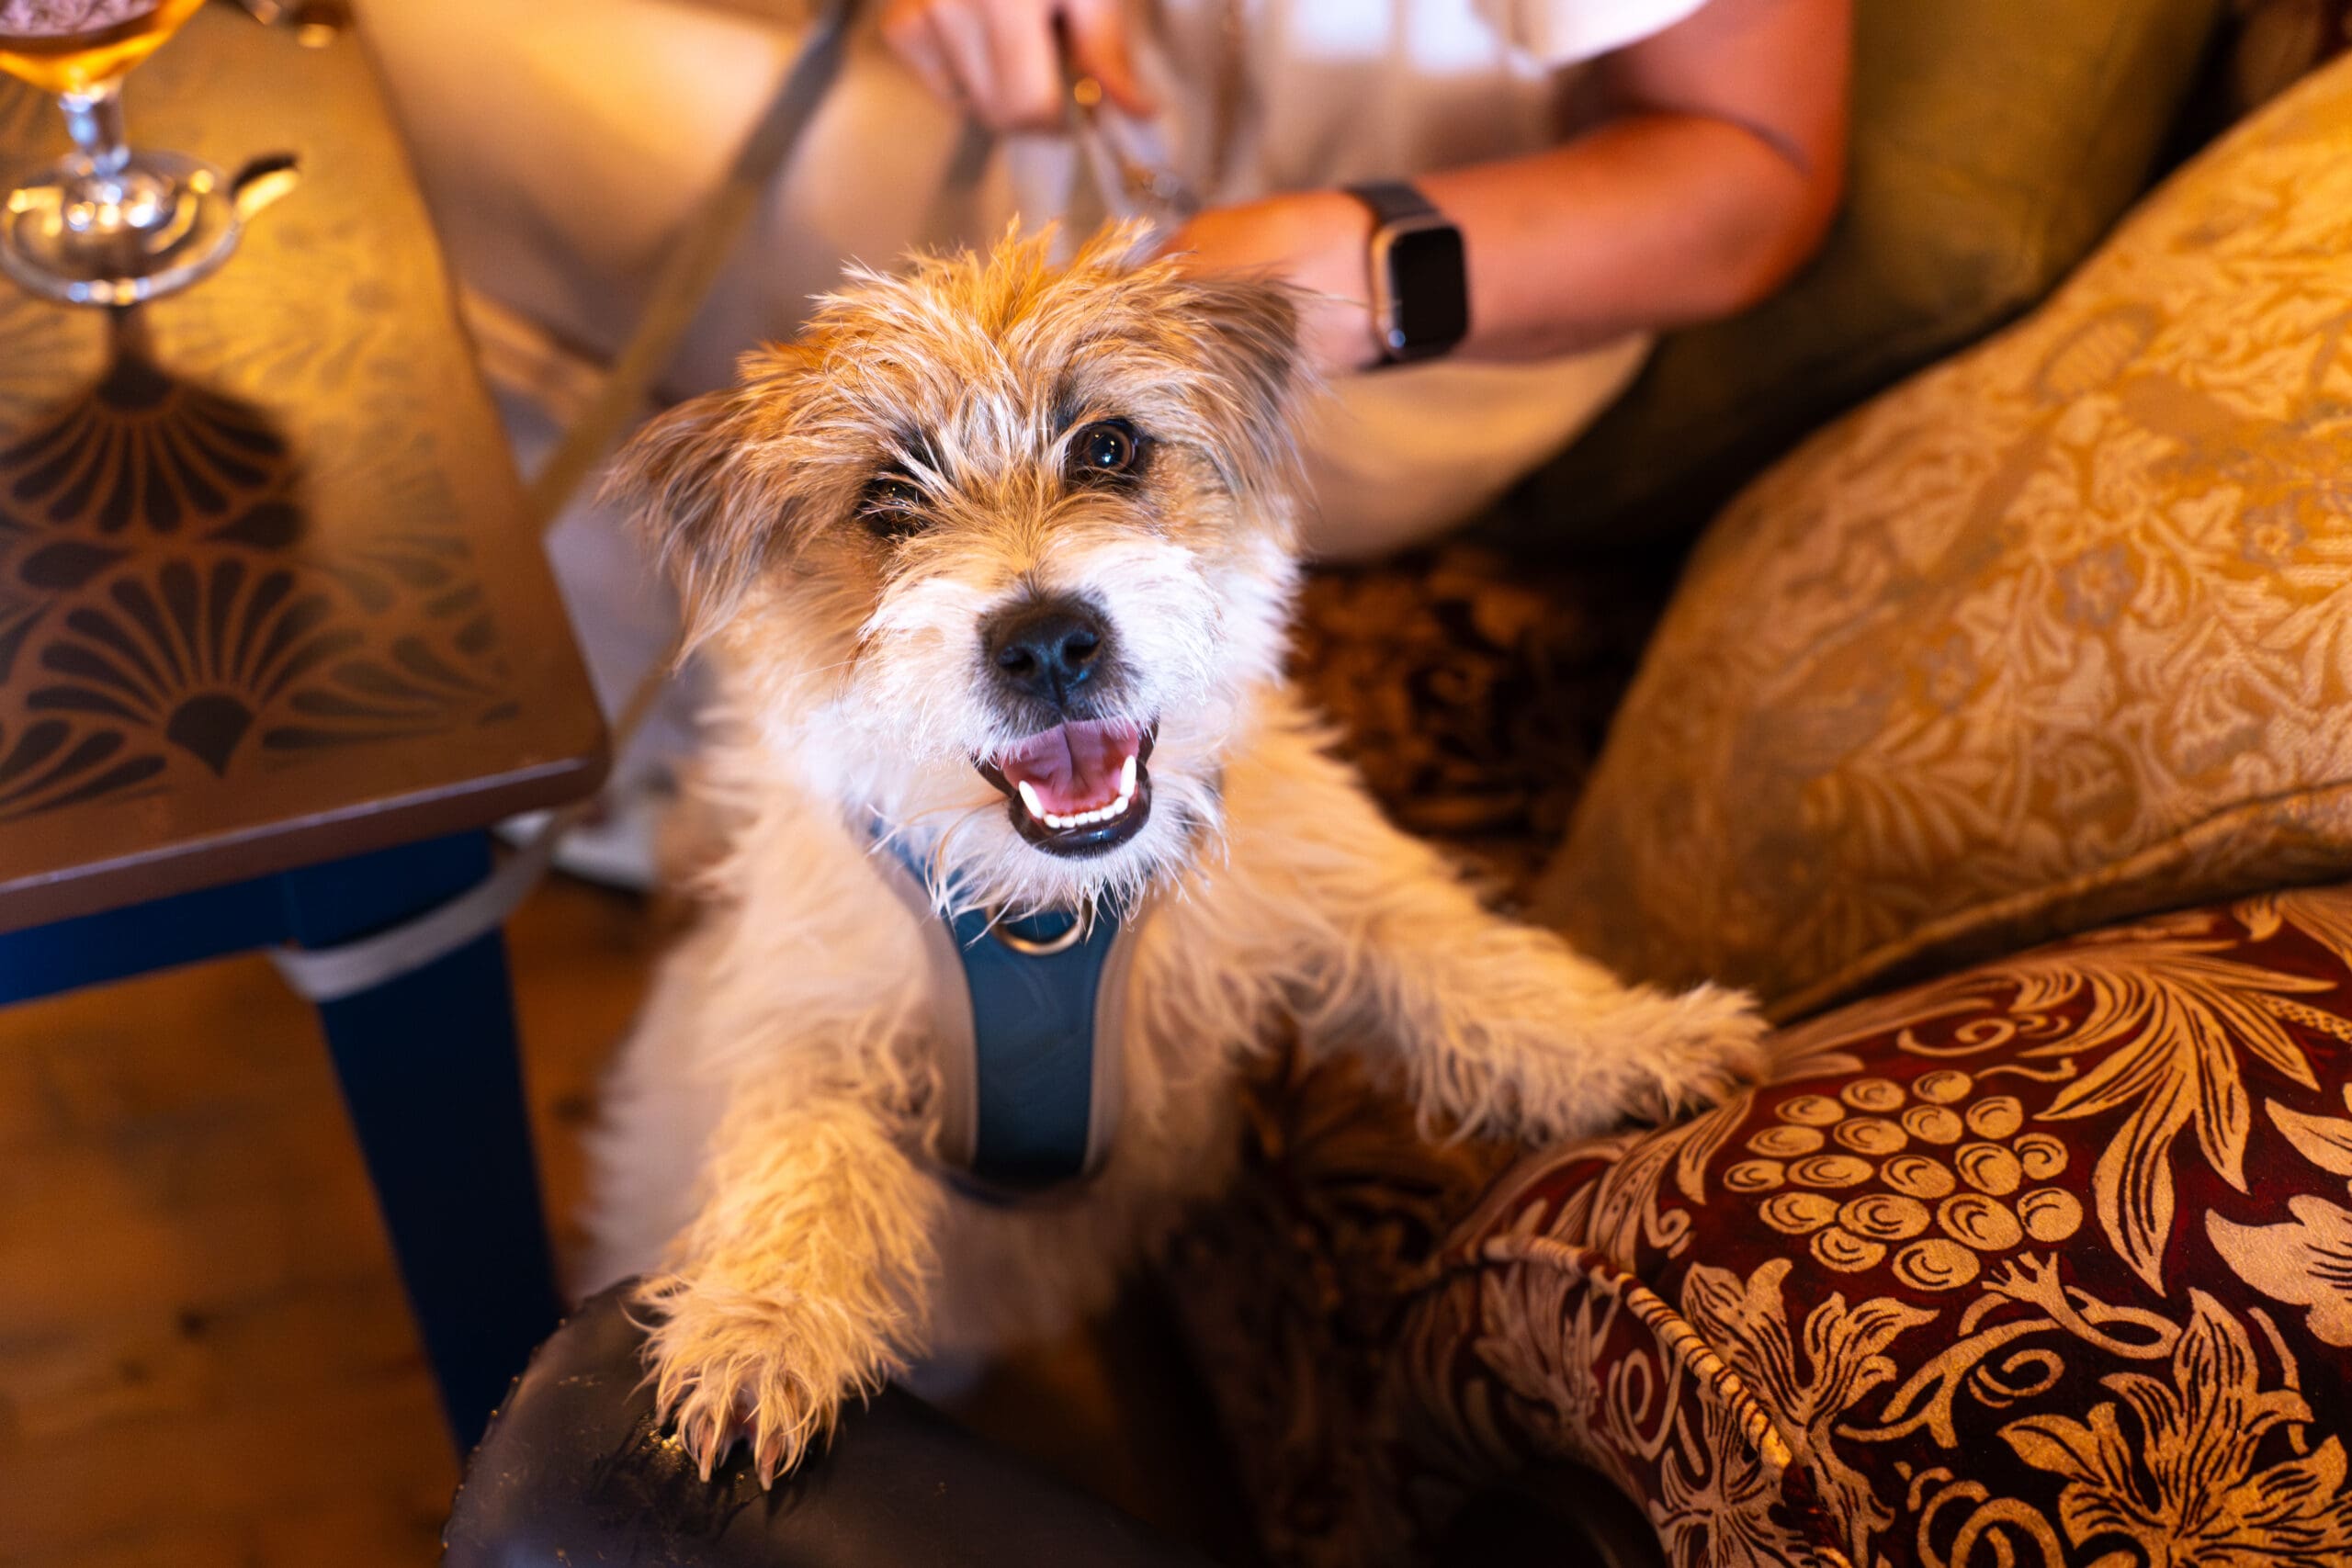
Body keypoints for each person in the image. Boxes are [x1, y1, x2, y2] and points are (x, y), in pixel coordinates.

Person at [361, 0, 1848, 878]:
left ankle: (657, 775)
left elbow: (1751, 180)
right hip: (1033, 130)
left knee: (418, 49)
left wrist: (1352, 267)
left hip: (1379, 308)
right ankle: (678, 755)